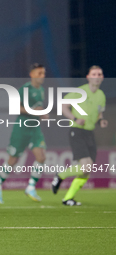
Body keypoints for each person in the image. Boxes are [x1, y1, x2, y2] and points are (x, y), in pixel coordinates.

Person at [0, 63, 49, 203]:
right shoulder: (25, 89)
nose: (42, 76)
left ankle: (31, 187)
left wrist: (42, 113)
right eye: (39, 73)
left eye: (43, 73)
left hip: (34, 129)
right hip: (21, 128)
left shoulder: (41, 90)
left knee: (41, 157)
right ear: (32, 74)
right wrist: (36, 111)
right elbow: (15, 106)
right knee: (13, 159)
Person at [52, 65, 107, 206]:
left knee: (86, 171)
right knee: (86, 166)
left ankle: (67, 199)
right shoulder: (80, 91)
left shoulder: (101, 95)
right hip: (77, 131)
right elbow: (63, 105)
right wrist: (74, 119)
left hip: (90, 132)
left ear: (102, 77)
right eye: (94, 74)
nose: (97, 76)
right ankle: (60, 176)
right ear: (88, 77)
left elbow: (100, 112)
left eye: (99, 74)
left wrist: (101, 120)